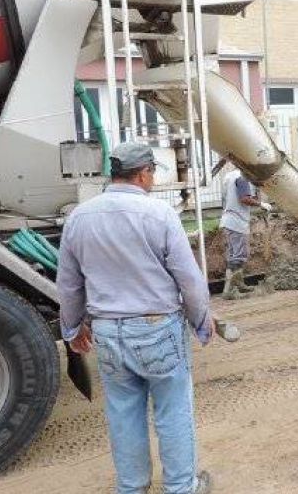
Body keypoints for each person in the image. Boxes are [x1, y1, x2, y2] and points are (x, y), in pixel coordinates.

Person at [57, 142, 215, 494]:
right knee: (173, 410)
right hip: (157, 326)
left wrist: (71, 328)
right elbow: (189, 280)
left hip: (108, 331)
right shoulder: (158, 215)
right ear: (144, 173)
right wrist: (202, 321)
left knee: (123, 413)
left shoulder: (79, 217)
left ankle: (131, 488)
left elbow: (68, 283)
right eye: (152, 172)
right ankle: (181, 487)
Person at [220, 164, 272, 297]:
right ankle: (230, 290)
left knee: (234, 254)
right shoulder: (242, 178)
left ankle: (238, 285)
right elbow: (244, 199)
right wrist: (261, 204)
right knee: (239, 256)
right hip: (237, 220)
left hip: (229, 218)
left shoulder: (229, 176)